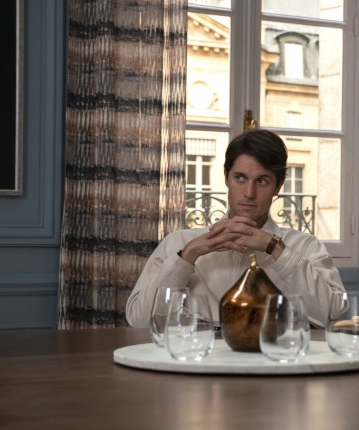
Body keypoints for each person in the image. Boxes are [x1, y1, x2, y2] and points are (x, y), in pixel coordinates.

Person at [127, 129, 345, 327]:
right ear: (226, 178)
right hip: (199, 356)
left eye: (262, 181)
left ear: (278, 186)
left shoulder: (305, 246)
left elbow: (331, 315)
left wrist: (274, 247)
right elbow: (139, 320)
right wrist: (189, 255)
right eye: (240, 178)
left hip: (276, 356)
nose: (249, 193)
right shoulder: (179, 243)